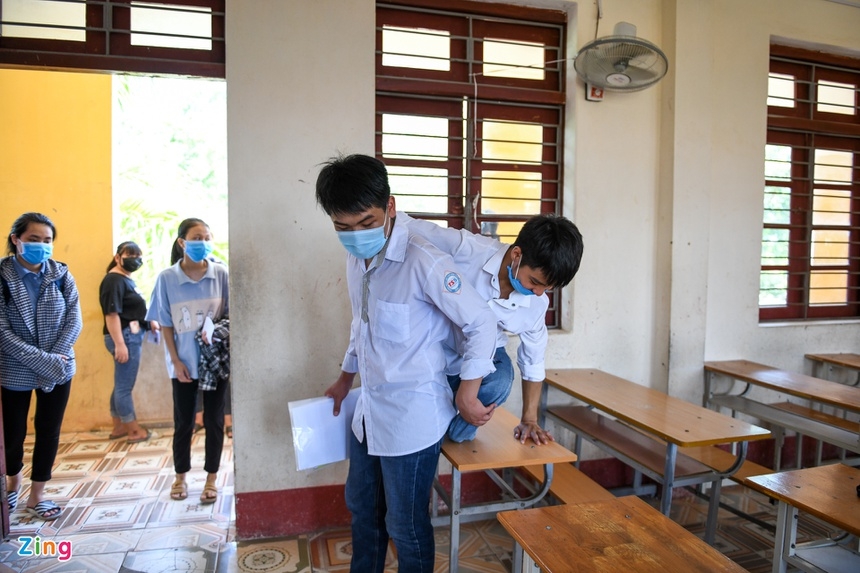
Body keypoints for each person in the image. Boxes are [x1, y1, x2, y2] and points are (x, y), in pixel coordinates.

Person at [317, 154, 497, 573]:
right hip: (370, 410)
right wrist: (345, 378)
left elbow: (481, 322)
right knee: (362, 510)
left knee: (405, 524)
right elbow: (361, 322)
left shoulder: (424, 260)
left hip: (412, 418)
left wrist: (468, 390)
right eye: (342, 227)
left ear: (391, 207)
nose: (355, 235)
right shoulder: (355, 258)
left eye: (365, 222)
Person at [406, 213, 583, 445]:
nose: (539, 293)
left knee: (502, 379)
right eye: (536, 282)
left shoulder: (536, 304)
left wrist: (529, 419)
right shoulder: (468, 249)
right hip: (436, 346)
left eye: (548, 288)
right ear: (517, 255)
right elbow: (410, 228)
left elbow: (533, 360)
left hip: (483, 358)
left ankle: (453, 434)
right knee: (414, 401)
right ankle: (433, 426)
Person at [0, 212, 82, 521]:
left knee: (48, 431)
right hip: (14, 368)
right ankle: (11, 485)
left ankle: (37, 496)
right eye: (34, 240)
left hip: (59, 366)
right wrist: (43, 360)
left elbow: (75, 319)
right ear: (16, 240)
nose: (42, 246)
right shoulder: (2, 276)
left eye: (47, 241)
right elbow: (2, 331)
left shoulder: (60, 274)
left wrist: (55, 356)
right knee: (12, 434)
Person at [146, 218, 229, 505]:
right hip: (183, 364)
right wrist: (175, 360)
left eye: (207, 236)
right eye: (197, 237)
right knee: (183, 422)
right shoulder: (167, 278)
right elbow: (165, 323)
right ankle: (180, 476)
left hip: (215, 364)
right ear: (182, 242)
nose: (203, 242)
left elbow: (231, 316)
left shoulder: (221, 274)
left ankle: (211, 478)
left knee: (214, 421)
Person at [99, 241, 158, 444]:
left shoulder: (125, 280)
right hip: (124, 337)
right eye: (130, 255)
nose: (135, 260)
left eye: (138, 256)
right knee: (125, 386)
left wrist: (149, 322)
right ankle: (133, 430)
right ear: (118, 257)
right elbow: (112, 314)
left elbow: (132, 309)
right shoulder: (114, 280)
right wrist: (120, 344)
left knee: (120, 385)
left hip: (129, 335)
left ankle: (118, 427)